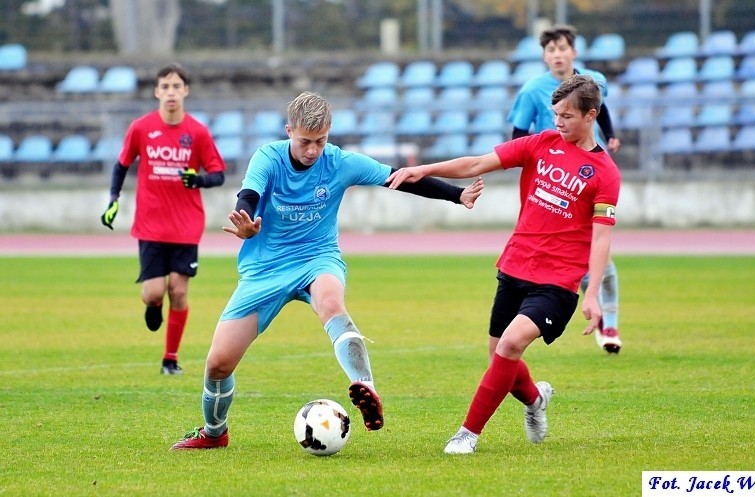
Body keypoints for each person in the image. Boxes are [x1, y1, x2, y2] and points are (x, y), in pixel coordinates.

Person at [170, 91, 484, 450]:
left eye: (320, 141)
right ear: (289, 131)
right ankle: (214, 433)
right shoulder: (268, 158)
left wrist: (456, 195)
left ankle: (366, 386)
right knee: (218, 364)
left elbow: (401, 178)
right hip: (265, 269)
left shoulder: (341, 162)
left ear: (329, 132)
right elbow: (249, 195)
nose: (313, 150)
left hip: (318, 257)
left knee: (332, 303)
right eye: (305, 141)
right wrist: (246, 223)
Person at [387, 75, 621, 454]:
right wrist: (424, 170)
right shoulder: (542, 143)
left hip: (558, 281)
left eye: (566, 116)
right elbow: (479, 162)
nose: (557, 123)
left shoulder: (606, 173)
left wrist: (592, 293)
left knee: (510, 345)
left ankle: (467, 434)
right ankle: (535, 400)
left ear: (591, 115)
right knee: (499, 357)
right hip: (515, 266)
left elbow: (602, 236)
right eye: (555, 114)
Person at [100, 63, 227, 375]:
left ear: (185, 91)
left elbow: (218, 174)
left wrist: (197, 180)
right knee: (154, 292)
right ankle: (153, 306)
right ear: (157, 92)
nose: (171, 92)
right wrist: (113, 199)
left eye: (176, 86)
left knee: (179, 292)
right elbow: (121, 164)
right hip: (151, 224)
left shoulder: (197, 132)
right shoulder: (142, 127)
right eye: (165, 87)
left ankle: (170, 358)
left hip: (186, 226)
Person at [507, 24, 623, 354]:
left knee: (600, 247)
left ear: (574, 52)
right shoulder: (532, 90)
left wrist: (610, 134)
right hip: (552, 181)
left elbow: (602, 110)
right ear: (544, 56)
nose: (558, 55)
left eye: (563, 48)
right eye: (551, 50)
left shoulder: (592, 82)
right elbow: (519, 132)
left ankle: (609, 322)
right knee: (582, 254)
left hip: (585, 178)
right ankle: (583, 304)